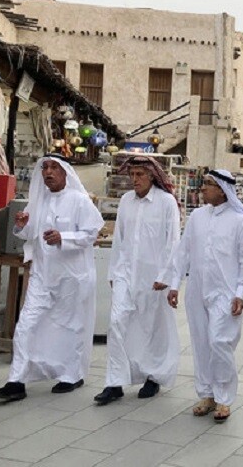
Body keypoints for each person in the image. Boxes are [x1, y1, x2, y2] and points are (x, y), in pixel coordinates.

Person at [159, 169, 243, 423]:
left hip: (226, 293)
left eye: (207, 184)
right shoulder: (197, 216)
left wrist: (240, 292)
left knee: (220, 341)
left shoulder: (239, 221)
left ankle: (224, 398)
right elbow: (183, 252)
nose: (202, 188)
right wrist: (174, 285)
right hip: (197, 290)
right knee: (200, 342)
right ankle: (207, 395)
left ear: (222, 189)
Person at [0, 154, 104, 402]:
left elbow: (91, 233)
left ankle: (72, 375)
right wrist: (21, 225)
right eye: (45, 167)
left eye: (54, 167)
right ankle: (16, 381)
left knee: (72, 326)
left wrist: (64, 238)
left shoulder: (79, 200)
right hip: (42, 277)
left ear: (65, 172)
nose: (48, 172)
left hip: (72, 278)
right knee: (26, 325)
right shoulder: (38, 201)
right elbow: (28, 234)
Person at [95, 156, 181, 405]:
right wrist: (113, 272)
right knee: (117, 323)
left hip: (154, 278)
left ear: (152, 176)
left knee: (151, 327)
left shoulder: (166, 203)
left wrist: (165, 275)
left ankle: (152, 376)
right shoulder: (125, 201)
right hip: (125, 274)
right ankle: (114, 382)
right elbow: (119, 239)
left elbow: (172, 241)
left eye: (140, 175)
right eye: (132, 175)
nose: (135, 180)